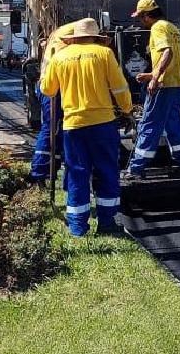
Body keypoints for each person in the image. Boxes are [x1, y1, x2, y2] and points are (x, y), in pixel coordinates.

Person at [39, 18, 131, 237]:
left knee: (77, 173)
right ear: (95, 37)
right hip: (103, 124)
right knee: (107, 171)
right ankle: (107, 224)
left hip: (73, 126)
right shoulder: (104, 54)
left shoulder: (60, 56)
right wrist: (127, 109)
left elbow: (48, 90)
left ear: (73, 37)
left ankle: (78, 227)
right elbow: (119, 88)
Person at [124, 0, 180, 180]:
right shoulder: (171, 27)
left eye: (141, 18)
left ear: (147, 15)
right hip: (176, 85)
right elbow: (172, 58)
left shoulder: (157, 28)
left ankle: (136, 168)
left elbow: (167, 52)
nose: (142, 22)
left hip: (163, 87)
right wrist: (151, 74)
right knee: (173, 127)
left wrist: (155, 78)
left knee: (149, 124)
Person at [28, 24, 75, 184]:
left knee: (56, 130)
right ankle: (39, 171)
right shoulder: (65, 42)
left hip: (52, 87)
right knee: (51, 128)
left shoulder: (59, 36)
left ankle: (49, 170)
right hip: (52, 89)